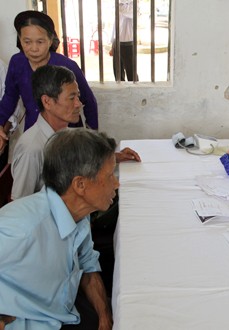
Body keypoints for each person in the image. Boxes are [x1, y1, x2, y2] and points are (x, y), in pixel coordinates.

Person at [0, 128, 118, 329]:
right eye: (109, 177)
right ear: (80, 185)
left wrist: (105, 317)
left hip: (65, 312)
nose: (117, 184)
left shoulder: (78, 214)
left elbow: (88, 266)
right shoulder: (22, 229)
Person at [11, 64, 140, 200]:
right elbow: (20, 204)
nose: (78, 104)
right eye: (72, 98)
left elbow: (79, 163)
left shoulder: (65, 134)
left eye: (78, 97)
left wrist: (115, 157)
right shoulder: (32, 148)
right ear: (47, 102)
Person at [0, 10, 99, 152]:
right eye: (27, 42)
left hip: (68, 137)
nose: (33, 48)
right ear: (20, 40)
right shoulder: (17, 63)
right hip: (34, 135)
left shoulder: (67, 66)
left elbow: (89, 101)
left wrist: (92, 136)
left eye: (40, 42)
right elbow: (9, 97)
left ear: (51, 40)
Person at [109, 0, 137, 81]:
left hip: (128, 44)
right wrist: (112, 45)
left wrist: (118, 6)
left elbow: (130, 13)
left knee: (131, 73)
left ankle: (134, 90)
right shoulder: (119, 5)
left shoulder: (133, 4)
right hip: (116, 43)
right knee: (117, 72)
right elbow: (115, 26)